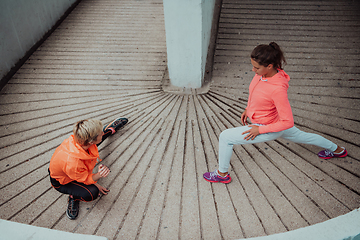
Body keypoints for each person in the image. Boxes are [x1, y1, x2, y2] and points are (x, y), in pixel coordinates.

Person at [203, 42, 347, 184]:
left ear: (269, 66)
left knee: (225, 137)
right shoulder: (262, 74)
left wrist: (260, 129)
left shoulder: (278, 89)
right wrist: (248, 108)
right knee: (304, 137)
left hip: (269, 127)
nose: (253, 70)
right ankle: (338, 150)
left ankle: (222, 174)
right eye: (253, 65)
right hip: (272, 122)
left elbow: (288, 122)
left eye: (256, 67)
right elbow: (255, 92)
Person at [49, 117, 128, 219]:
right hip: (62, 181)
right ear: (90, 141)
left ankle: (110, 130)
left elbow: (94, 142)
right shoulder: (74, 163)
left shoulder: (79, 140)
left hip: (71, 168)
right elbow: (85, 179)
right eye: (101, 133)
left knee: (95, 144)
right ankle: (74, 197)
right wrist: (98, 175)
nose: (101, 133)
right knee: (92, 193)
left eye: (101, 131)